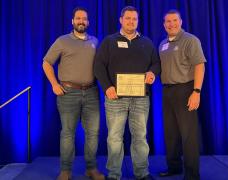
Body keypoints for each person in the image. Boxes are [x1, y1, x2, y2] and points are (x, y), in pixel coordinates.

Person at [94, 6, 160, 180]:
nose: (131, 21)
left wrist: (153, 72)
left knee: (140, 137)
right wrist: (107, 87)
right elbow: (98, 66)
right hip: (115, 98)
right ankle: (114, 174)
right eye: (128, 18)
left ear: (138, 21)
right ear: (121, 20)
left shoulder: (147, 42)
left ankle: (142, 173)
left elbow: (156, 64)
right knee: (114, 138)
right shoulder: (109, 41)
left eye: (134, 19)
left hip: (141, 99)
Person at [42, 7, 104, 180]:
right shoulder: (62, 41)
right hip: (68, 93)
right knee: (68, 133)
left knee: (93, 133)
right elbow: (46, 62)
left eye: (84, 18)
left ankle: (91, 169)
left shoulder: (95, 41)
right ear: (72, 21)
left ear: (88, 22)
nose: (81, 21)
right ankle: (65, 171)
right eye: (78, 18)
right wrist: (54, 84)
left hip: (91, 92)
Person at [159, 9, 206, 180]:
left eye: (174, 20)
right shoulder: (162, 44)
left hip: (186, 90)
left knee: (188, 135)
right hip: (167, 91)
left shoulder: (190, 40)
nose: (171, 24)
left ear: (181, 22)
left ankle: (192, 174)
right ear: (164, 25)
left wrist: (196, 92)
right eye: (168, 21)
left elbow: (200, 66)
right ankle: (174, 167)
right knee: (170, 133)